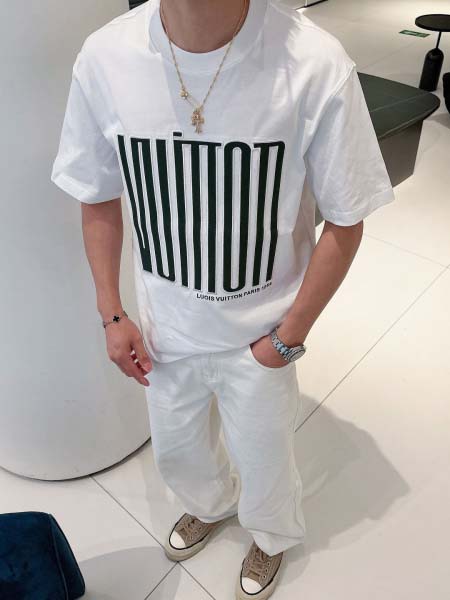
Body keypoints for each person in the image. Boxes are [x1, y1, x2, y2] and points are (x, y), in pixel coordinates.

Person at [51, 0, 395, 597]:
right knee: (178, 450)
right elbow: (97, 192)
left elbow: (348, 216)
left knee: (265, 456)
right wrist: (112, 312)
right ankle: (209, 505)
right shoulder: (106, 57)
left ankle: (271, 537)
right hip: (163, 329)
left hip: (260, 334)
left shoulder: (314, 62)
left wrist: (286, 338)